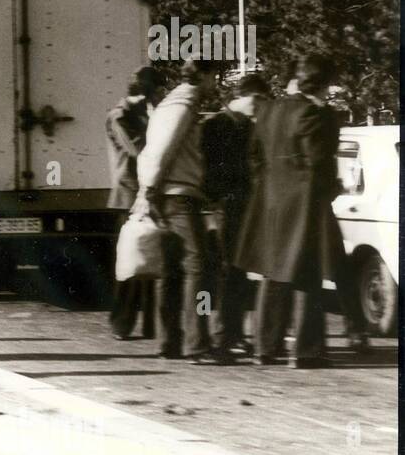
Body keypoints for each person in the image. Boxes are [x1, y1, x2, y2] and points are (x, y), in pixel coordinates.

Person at [234, 54, 369, 369]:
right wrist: (332, 188)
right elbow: (319, 164)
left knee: (273, 274)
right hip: (306, 206)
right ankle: (307, 352)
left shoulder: (269, 110)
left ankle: (265, 349)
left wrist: (271, 187)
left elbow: (254, 157)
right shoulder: (314, 114)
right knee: (307, 276)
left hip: (271, 206)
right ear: (321, 85)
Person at [135, 58, 227, 364]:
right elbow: (162, 150)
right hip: (177, 195)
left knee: (170, 269)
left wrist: (148, 191)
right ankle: (197, 344)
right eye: (215, 76)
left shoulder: (169, 104)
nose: (217, 83)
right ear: (202, 75)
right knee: (197, 266)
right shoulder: (184, 104)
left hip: (166, 193)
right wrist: (148, 191)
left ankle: (169, 342)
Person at [200, 73, 268, 357]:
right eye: (260, 101)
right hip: (222, 207)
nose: (261, 108)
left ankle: (234, 333)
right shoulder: (214, 125)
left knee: (238, 271)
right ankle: (223, 335)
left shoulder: (247, 127)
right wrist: (213, 206)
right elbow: (206, 168)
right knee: (225, 271)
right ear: (249, 97)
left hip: (243, 207)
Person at [106, 67, 163, 340]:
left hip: (145, 191)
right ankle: (121, 324)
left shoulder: (139, 113)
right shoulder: (119, 116)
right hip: (129, 195)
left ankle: (152, 325)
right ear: (146, 93)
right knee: (130, 264)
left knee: (152, 260)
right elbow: (137, 149)